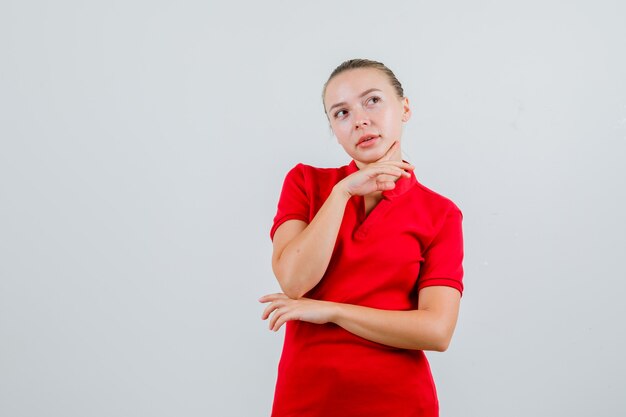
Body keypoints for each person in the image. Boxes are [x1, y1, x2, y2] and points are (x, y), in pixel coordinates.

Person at [259, 58, 464, 417]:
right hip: (306, 398)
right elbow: (293, 282)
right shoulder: (306, 184)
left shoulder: (441, 213)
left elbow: (436, 330)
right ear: (334, 129)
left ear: (404, 108)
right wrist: (342, 193)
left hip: (399, 402)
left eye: (372, 101)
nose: (359, 120)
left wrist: (333, 311)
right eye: (341, 113)